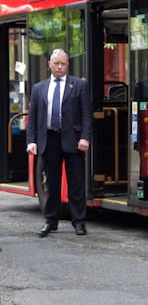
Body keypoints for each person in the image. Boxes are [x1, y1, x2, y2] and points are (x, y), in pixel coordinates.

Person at [26, 49, 92, 237]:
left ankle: (79, 222)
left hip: (73, 140)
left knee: (76, 184)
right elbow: (34, 118)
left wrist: (85, 137)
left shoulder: (79, 85)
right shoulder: (39, 88)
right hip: (49, 140)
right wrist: (31, 141)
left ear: (67, 65)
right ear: (50, 64)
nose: (60, 67)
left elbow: (86, 115)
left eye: (63, 63)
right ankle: (50, 221)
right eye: (57, 64)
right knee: (52, 184)